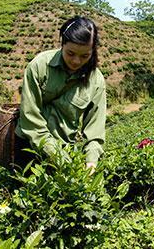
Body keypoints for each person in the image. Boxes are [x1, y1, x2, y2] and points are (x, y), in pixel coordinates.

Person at [15, 16, 106, 172]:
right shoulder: (39, 66)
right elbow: (31, 119)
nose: (76, 61)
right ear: (62, 44)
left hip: (65, 150)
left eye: (85, 56)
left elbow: (95, 128)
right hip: (28, 149)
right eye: (70, 53)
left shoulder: (96, 81)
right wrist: (58, 157)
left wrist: (91, 160)